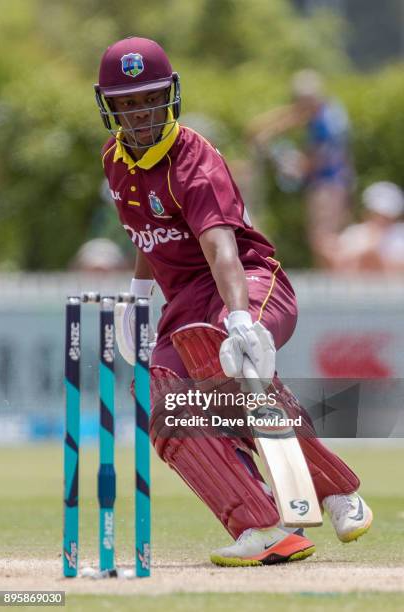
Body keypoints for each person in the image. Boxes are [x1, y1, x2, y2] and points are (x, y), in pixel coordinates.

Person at [94, 37, 372, 567]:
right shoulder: (115, 160)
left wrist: (240, 320)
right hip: (185, 306)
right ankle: (265, 526)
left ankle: (335, 493)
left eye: (149, 99)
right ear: (108, 107)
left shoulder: (193, 158)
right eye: (126, 104)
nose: (140, 115)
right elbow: (146, 236)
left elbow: (221, 248)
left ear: (169, 96)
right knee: (169, 409)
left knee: (215, 352)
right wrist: (137, 298)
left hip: (246, 284)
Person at [247, 69, 354, 266]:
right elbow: (289, 118)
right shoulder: (326, 111)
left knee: (323, 239)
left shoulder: (325, 121)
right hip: (331, 182)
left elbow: (320, 158)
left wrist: (293, 165)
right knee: (322, 238)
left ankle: (344, 286)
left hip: (328, 185)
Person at [322, 181, 404, 273]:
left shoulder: (400, 234)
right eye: (377, 214)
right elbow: (339, 265)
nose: (381, 219)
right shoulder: (355, 233)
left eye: (386, 216)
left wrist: (374, 258)